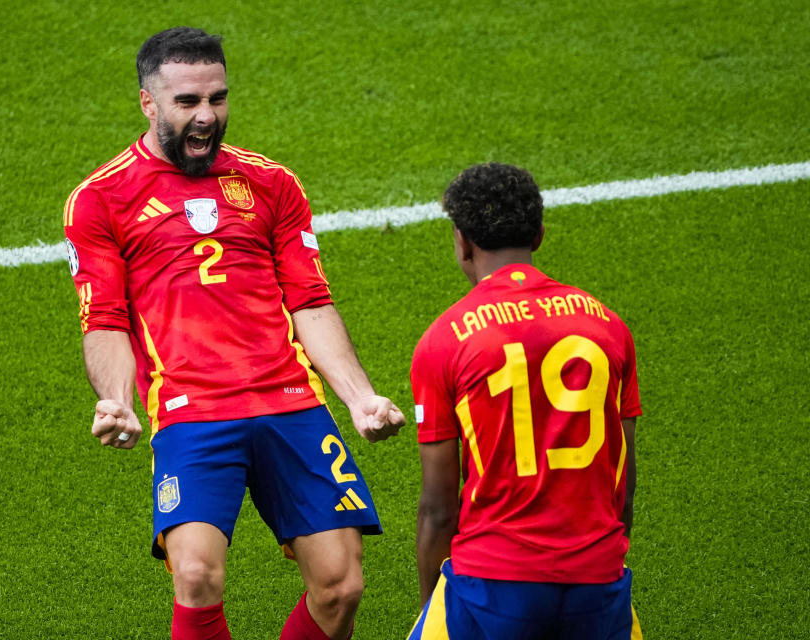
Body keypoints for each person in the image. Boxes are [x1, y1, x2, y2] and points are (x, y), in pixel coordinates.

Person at [63, 27, 405, 640]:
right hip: (191, 412)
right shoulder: (101, 198)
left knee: (342, 585)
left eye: (217, 99)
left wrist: (359, 397)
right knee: (195, 575)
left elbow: (311, 300)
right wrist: (118, 400)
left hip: (291, 403)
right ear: (148, 103)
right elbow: (106, 318)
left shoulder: (272, 183)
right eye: (187, 102)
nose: (206, 116)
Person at [407, 163, 643, 639]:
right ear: (539, 234)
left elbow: (439, 508)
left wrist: (433, 601)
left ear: (462, 241)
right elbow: (624, 480)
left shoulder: (445, 339)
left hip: (494, 583)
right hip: (598, 577)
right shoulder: (609, 326)